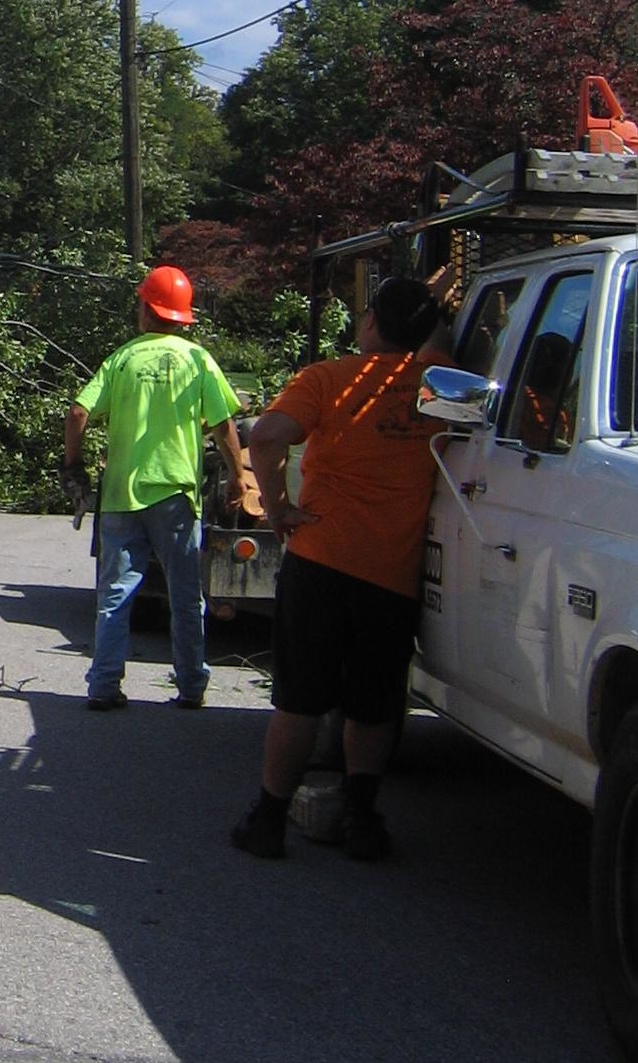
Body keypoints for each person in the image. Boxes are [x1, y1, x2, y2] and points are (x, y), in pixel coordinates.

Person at [231, 273, 444, 864]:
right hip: (391, 572)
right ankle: (362, 819)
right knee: (374, 703)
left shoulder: (328, 378)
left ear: (371, 321)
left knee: (300, 698)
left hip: (320, 560)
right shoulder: (443, 386)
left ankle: (269, 819)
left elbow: (268, 435)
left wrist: (276, 507)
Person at [64, 265, 246, 712]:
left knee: (115, 593)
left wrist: (73, 465)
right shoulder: (197, 360)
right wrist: (238, 475)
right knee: (186, 597)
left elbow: (77, 413)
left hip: (123, 495)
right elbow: (222, 426)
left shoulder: (122, 358)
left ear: (146, 308)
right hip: (176, 495)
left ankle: (104, 685)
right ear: (183, 318)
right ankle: (191, 687)